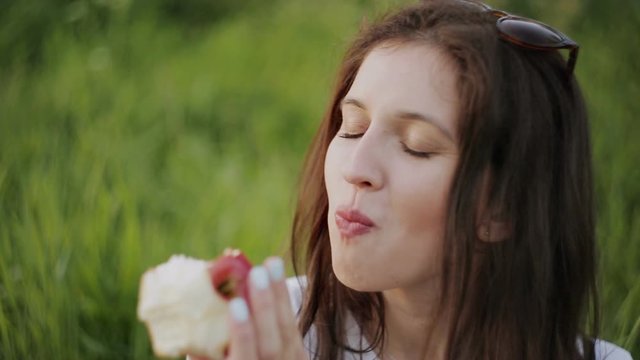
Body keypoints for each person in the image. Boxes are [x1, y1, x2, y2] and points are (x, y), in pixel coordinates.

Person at [192, 0, 633, 359]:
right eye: (351, 128)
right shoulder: (272, 327)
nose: (355, 168)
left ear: (502, 206)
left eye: (416, 145)